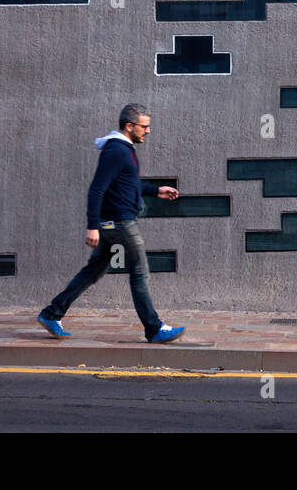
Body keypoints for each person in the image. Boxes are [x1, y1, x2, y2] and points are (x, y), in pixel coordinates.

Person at [37, 103, 186, 343]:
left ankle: (51, 313)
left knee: (93, 271)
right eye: (144, 126)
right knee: (139, 273)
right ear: (129, 126)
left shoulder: (123, 150)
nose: (148, 131)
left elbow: (127, 184)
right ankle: (154, 328)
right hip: (120, 223)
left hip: (112, 223)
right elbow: (97, 189)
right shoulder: (116, 150)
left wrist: (155, 189)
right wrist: (92, 225)